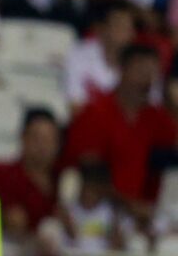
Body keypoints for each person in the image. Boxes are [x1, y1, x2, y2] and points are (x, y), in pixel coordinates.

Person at [64, 44, 178, 212]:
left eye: (152, 71)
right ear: (122, 68)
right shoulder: (95, 113)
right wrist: (129, 205)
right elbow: (88, 173)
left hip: (143, 212)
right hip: (95, 210)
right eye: (140, 69)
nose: (146, 78)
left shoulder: (156, 118)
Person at [0, 107, 62, 240]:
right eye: (37, 138)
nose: (43, 146)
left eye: (49, 139)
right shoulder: (8, 178)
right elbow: (15, 223)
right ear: (23, 138)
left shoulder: (63, 179)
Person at [63, 2, 137, 108]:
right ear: (102, 28)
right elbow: (75, 105)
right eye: (119, 26)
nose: (125, 33)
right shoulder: (79, 54)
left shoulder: (140, 64)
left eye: (129, 28)